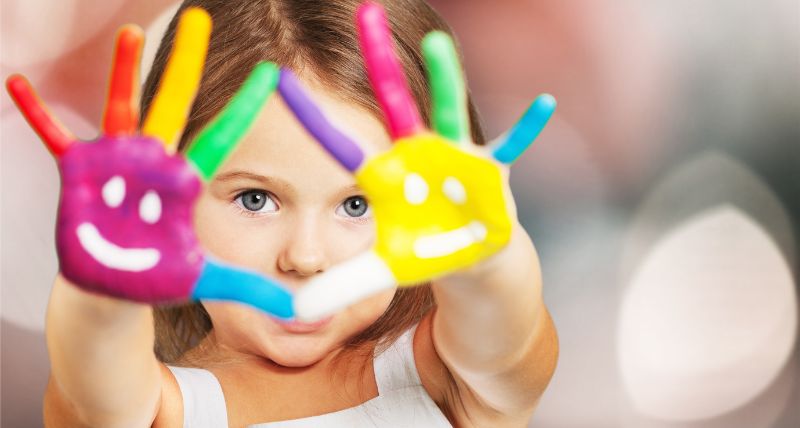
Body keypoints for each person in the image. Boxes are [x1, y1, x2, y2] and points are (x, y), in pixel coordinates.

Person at [36, 0, 558, 426]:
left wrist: (487, 260)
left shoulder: (447, 376)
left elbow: (504, 336)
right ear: (173, 205)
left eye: (357, 204)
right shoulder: (162, 409)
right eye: (255, 199)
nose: (305, 258)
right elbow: (92, 393)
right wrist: (101, 294)